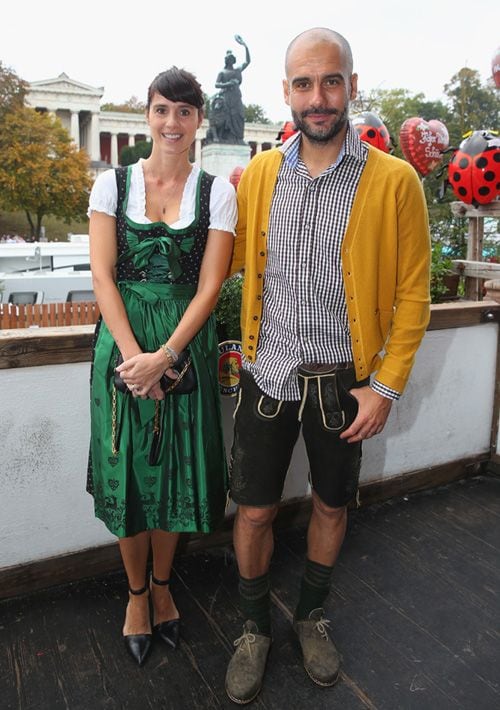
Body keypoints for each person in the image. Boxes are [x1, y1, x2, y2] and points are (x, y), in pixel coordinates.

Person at [224, 27, 431, 704]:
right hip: (267, 376)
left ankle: (311, 615)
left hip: (347, 383)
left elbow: (412, 294)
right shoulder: (258, 175)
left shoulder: (395, 182)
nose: (319, 97)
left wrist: (386, 386)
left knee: (332, 505)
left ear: (352, 86)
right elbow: (233, 268)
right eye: (305, 83)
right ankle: (254, 628)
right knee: (252, 513)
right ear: (285, 92)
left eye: (332, 81)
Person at [86, 66, 236, 667]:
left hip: (184, 345)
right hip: (122, 348)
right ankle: (136, 594)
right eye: (161, 110)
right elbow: (102, 275)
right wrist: (133, 360)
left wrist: (166, 357)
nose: (172, 123)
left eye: (184, 111)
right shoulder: (112, 185)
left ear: (199, 120)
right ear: (146, 115)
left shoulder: (217, 190)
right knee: (126, 472)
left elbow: (211, 284)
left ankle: (167, 586)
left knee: (176, 472)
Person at [212, 35, 251, 144]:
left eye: (232, 59)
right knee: (226, 118)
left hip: (236, 96)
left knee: (239, 116)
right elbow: (216, 84)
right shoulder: (222, 72)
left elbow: (248, 61)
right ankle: (225, 137)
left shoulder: (238, 70)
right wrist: (228, 84)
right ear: (226, 60)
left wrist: (245, 46)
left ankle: (238, 138)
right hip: (226, 97)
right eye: (229, 59)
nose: (230, 60)